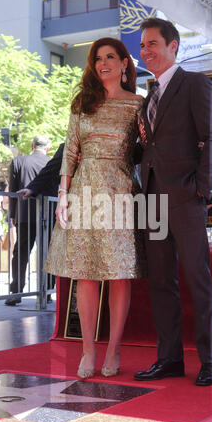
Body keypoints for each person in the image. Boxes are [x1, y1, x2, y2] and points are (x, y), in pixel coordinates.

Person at [44, 38, 146, 379]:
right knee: (84, 272)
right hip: (83, 192)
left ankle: (113, 348)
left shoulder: (138, 105)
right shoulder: (81, 103)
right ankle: (88, 350)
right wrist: (63, 192)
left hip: (119, 191)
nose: (103, 63)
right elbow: (70, 151)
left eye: (110, 57)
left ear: (124, 63)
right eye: (97, 58)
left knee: (118, 274)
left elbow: (146, 151)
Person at [134, 18, 212, 386]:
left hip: (187, 198)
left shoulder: (195, 84)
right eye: (142, 46)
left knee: (196, 277)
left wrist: (202, 190)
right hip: (151, 198)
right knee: (160, 280)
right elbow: (148, 148)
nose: (145, 51)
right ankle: (169, 358)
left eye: (152, 44)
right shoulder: (147, 96)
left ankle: (211, 361)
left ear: (174, 46)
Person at [17, 143, 65, 302]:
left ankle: (43, 291)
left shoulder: (20, 161)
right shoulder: (69, 143)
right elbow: (51, 169)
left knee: (39, 251)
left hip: (28, 212)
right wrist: (31, 188)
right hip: (67, 210)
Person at [7, 135, 51, 306]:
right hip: (47, 214)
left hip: (24, 214)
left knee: (21, 253)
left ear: (32, 145)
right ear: (47, 148)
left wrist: (13, 213)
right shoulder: (51, 163)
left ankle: (16, 292)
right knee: (46, 254)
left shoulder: (19, 161)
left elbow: (12, 190)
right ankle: (46, 291)